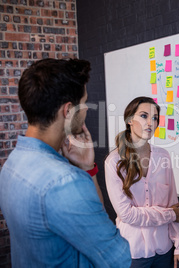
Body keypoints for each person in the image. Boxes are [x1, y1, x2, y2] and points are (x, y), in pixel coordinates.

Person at [0, 58, 131, 267]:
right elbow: (119, 257)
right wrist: (83, 174)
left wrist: (87, 168)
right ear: (68, 111)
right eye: (85, 103)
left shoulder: (12, 164)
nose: (87, 110)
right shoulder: (65, 182)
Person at [105, 97, 179, 268]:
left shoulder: (163, 156)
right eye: (144, 116)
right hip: (133, 253)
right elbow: (127, 214)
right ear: (129, 120)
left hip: (164, 250)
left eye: (155, 117)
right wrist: (168, 214)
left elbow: (173, 204)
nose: (150, 123)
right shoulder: (114, 161)